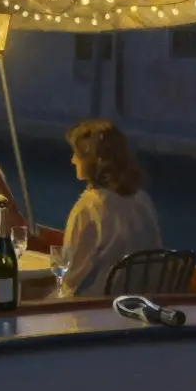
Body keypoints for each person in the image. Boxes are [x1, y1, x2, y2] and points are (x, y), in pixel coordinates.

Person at [60, 119, 163, 297]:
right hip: (141, 303)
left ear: (92, 160)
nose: (72, 160)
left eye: (76, 154)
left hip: (96, 309)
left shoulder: (88, 207)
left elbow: (70, 275)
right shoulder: (144, 200)